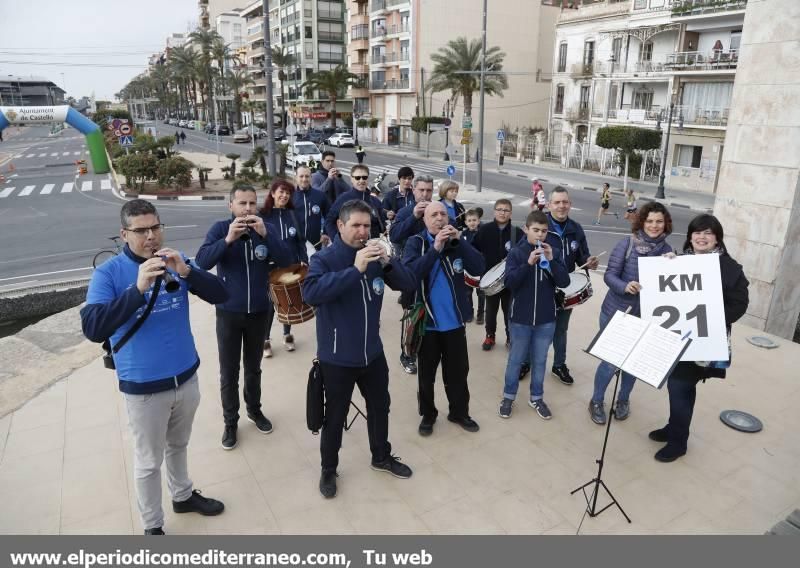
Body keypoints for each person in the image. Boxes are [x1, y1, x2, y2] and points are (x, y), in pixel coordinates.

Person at [80, 199, 228, 535]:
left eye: (156, 227)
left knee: (179, 445)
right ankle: (152, 525)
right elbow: (92, 328)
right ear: (124, 234)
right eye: (142, 230)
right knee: (148, 462)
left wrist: (187, 271)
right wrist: (138, 289)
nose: (151, 236)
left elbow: (222, 295)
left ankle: (183, 495)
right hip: (144, 387)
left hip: (185, 376)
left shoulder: (175, 260)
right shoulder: (109, 273)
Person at [302, 200, 418, 499]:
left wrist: (390, 262)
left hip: (372, 353)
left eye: (367, 226)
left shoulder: (377, 257)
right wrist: (355, 269)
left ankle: (381, 456)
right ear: (340, 226)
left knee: (380, 407)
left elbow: (408, 284)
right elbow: (311, 293)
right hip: (337, 357)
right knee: (335, 417)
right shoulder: (325, 260)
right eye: (356, 225)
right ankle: (329, 469)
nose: (363, 232)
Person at [196, 186, 293, 451]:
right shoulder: (220, 229)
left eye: (252, 203)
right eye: (242, 203)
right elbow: (202, 262)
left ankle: (255, 410)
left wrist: (265, 235)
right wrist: (227, 240)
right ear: (231, 206)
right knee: (229, 371)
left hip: (260, 311)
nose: (248, 209)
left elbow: (287, 260)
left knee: (253, 368)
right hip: (228, 312)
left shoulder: (266, 229)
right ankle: (230, 422)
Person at [651, 214, 749, 462]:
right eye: (697, 232)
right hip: (676, 337)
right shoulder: (680, 261)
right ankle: (674, 428)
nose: (701, 237)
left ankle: (678, 442)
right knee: (678, 386)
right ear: (690, 236)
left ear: (717, 238)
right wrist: (666, 267)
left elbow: (739, 305)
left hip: (702, 341)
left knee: (680, 386)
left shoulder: (730, 268)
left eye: (708, 233)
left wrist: (710, 316)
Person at [403, 202, 485, 436]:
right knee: (426, 376)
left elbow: (479, 267)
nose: (440, 219)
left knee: (458, 373)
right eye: (434, 215)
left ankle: (459, 412)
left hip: (455, 323)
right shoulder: (415, 243)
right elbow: (409, 275)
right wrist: (435, 249)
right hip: (427, 323)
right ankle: (428, 415)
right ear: (425, 219)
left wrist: (462, 242)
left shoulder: (457, 242)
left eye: (443, 214)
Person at [589, 202, 674, 425]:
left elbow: (671, 288)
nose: (654, 226)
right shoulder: (626, 244)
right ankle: (596, 400)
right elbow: (609, 276)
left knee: (632, 364)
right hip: (617, 312)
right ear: (642, 222)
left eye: (659, 221)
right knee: (610, 362)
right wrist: (624, 286)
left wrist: (674, 267)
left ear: (665, 224)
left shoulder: (668, 252)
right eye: (650, 221)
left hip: (646, 317)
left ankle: (623, 399)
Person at [499, 210, 570, 420]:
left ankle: (536, 397)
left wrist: (552, 260)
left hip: (546, 319)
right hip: (520, 318)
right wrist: (528, 264)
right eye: (535, 230)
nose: (539, 235)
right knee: (516, 360)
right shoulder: (516, 253)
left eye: (544, 231)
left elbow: (564, 282)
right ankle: (508, 397)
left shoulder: (553, 250)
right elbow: (510, 283)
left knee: (540, 361)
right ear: (526, 229)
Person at [545, 187, 599, 386]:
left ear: (570, 204)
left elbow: (582, 256)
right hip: (542, 288)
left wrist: (589, 261)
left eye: (565, 202)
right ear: (549, 205)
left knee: (560, 330)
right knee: (538, 329)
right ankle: (527, 362)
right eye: (557, 202)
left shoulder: (576, 228)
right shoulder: (540, 225)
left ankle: (559, 365)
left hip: (565, 289)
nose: (561, 206)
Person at [388, 174, 435, 374]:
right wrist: (414, 216)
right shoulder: (405, 211)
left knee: (432, 314)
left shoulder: (437, 211)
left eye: (429, 190)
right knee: (412, 318)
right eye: (421, 190)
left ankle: (427, 350)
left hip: (433, 272)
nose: (425, 194)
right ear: (413, 190)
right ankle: (407, 354)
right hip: (411, 273)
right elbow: (395, 236)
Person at [260, 179, 309, 355]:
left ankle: (287, 335)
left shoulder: (292, 215)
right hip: (267, 268)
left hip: (289, 266)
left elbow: (300, 241)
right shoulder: (262, 215)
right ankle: (265, 340)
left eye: (288, 193)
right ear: (272, 193)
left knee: (287, 302)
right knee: (268, 305)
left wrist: (303, 259)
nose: (284, 195)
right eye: (281, 192)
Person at [472, 198, 523, 351]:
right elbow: (473, 250)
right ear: (494, 211)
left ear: (511, 213)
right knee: (491, 311)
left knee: (509, 311)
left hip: (509, 280)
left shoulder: (517, 233)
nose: (502, 212)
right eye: (500, 209)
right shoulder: (484, 230)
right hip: (490, 280)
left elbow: (524, 254)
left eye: (506, 210)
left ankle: (510, 337)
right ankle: (490, 336)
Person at [324, 164, 386, 240]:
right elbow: (329, 221)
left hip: (372, 246)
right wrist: (337, 241)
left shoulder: (375, 201)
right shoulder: (344, 199)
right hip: (350, 247)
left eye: (364, 177)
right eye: (357, 178)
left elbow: (382, 225)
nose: (361, 180)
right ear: (351, 179)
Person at [292, 164, 330, 252]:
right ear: (296, 177)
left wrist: (325, 233)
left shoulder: (320, 195)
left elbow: (329, 216)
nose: (304, 179)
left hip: (316, 243)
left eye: (307, 176)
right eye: (301, 176)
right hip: (295, 244)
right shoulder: (290, 197)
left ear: (311, 177)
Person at [461, 208, 486, 324]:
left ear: (479, 221)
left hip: (481, 268)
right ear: (465, 222)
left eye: (474, 220)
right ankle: (469, 313)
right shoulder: (463, 235)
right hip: (467, 269)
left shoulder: (483, 233)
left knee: (481, 293)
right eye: (469, 220)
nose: (472, 223)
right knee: (467, 293)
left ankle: (480, 314)